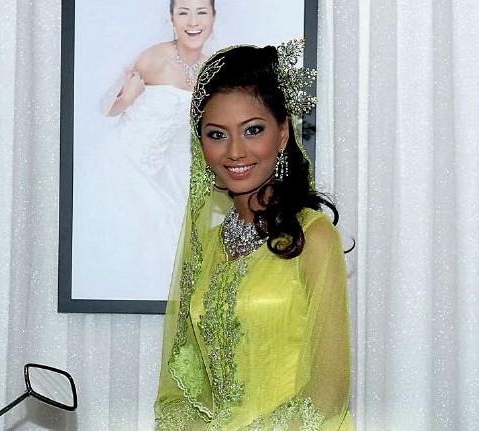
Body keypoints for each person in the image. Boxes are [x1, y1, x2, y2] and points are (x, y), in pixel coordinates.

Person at [154, 40, 354, 430]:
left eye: (252, 130)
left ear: (282, 134)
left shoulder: (314, 238)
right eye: (217, 134)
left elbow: (329, 391)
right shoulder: (205, 247)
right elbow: (180, 392)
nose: (235, 151)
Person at [71, 0, 215, 301]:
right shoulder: (152, 58)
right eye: (183, 13)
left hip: (162, 171)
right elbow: (102, 108)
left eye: (201, 12)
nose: (193, 22)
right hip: (121, 165)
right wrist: (127, 98)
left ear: (213, 18)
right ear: (172, 18)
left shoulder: (212, 69)